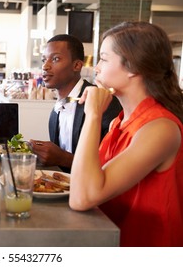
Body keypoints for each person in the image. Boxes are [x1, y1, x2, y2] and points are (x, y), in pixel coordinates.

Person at [69, 21, 183, 246]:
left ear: (133, 68)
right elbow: (85, 182)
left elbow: (82, 198)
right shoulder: (118, 122)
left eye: (103, 58)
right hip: (111, 241)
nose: (96, 67)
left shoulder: (161, 128)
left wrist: (92, 115)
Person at [30, 34, 122, 172]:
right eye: (44, 60)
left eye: (55, 59)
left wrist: (63, 158)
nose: (45, 66)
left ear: (77, 65)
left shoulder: (102, 101)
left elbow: (112, 165)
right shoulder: (56, 110)